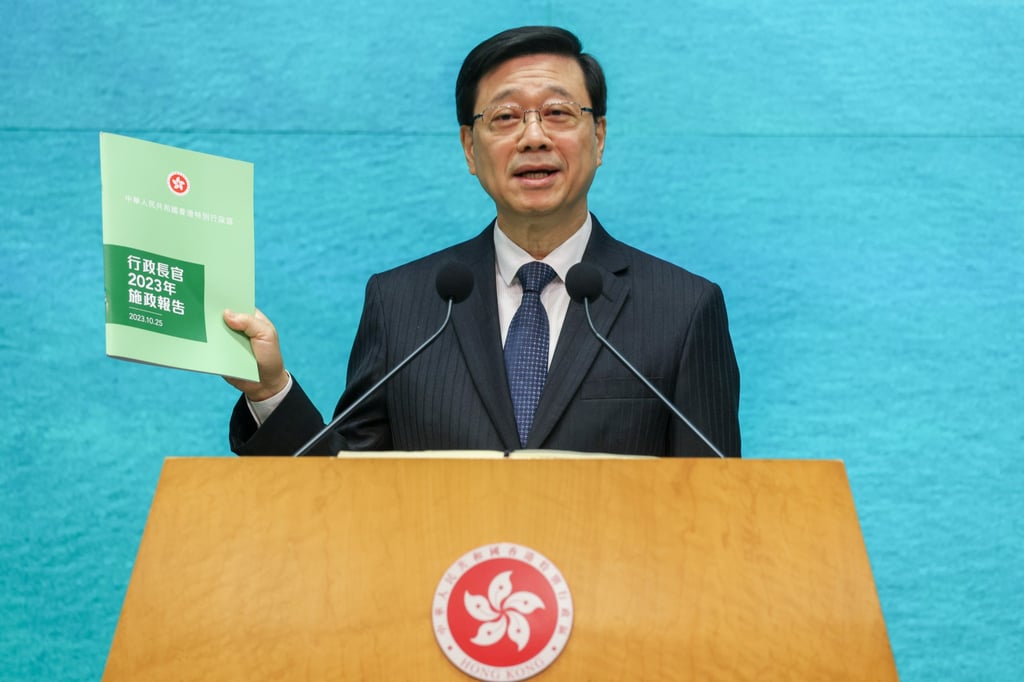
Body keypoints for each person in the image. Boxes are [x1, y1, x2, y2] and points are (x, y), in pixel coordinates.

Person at [223, 26, 741, 458]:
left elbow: (715, 503)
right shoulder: (403, 304)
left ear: (599, 136)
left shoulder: (684, 309)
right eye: (505, 117)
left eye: (558, 113)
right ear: (470, 148)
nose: (533, 136)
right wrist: (270, 392)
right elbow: (344, 492)